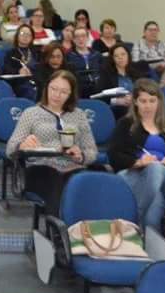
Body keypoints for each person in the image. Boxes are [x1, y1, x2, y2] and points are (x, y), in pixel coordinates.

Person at [6, 69, 98, 216]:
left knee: (83, 182)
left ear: (71, 94)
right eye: (53, 89)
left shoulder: (79, 115)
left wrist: (81, 155)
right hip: (40, 167)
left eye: (63, 92)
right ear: (46, 88)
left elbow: (92, 151)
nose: (57, 95)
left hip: (71, 166)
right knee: (55, 179)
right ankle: (57, 226)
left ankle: (82, 226)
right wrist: (22, 146)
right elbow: (10, 149)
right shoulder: (31, 113)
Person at [109, 78, 165, 231]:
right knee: (155, 203)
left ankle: (135, 216)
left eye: (152, 101)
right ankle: (148, 238)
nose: (148, 106)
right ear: (135, 102)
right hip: (136, 175)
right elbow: (114, 155)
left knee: (155, 168)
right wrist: (138, 162)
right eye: (143, 101)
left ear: (159, 102)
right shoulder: (125, 124)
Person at [95, 43, 146, 116]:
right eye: (116, 56)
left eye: (123, 54)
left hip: (136, 105)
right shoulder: (106, 73)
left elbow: (145, 90)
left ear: (128, 55)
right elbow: (99, 96)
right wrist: (116, 101)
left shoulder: (136, 71)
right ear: (112, 59)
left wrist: (134, 98)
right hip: (118, 109)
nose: (120, 57)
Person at [131, 20, 165, 86]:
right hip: (148, 68)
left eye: (155, 30)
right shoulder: (138, 44)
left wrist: (163, 65)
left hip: (164, 67)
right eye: (150, 30)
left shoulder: (164, 44)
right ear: (144, 32)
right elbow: (135, 61)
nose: (153, 32)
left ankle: (160, 88)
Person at [63, 26, 101, 98]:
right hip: (78, 89)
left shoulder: (97, 55)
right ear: (73, 39)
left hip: (97, 88)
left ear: (87, 38)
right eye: (77, 36)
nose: (80, 39)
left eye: (83, 36)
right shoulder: (68, 56)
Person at [4, 25, 38, 99]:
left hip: (36, 81)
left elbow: (41, 69)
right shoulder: (10, 53)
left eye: (28, 34)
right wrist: (18, 71)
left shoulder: (37, 53)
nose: (25, 36)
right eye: (22, 33)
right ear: (17, 36)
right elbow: (6, 70)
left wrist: (31, 72)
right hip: (18, 83)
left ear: (32, 38)